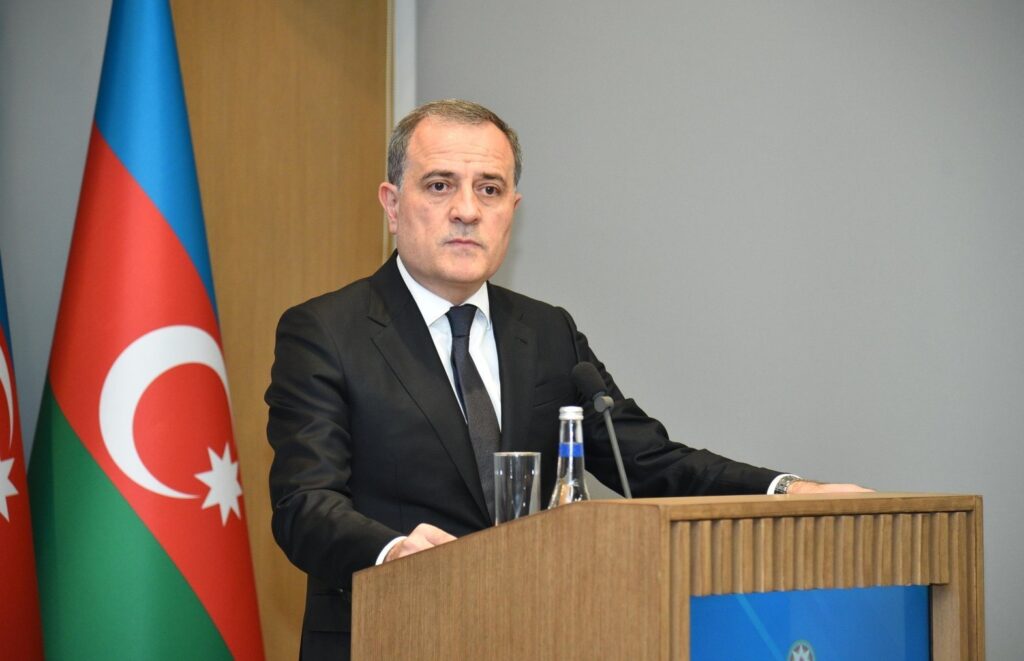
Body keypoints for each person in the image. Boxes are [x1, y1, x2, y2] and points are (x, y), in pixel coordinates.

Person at [265, 99, 869, 660]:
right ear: (393, 204)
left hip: (536, 635)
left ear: (512, 210)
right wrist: (393, 551)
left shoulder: (547, 331)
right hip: (388, 635)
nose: (467, 210)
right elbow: (304, 504)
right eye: (440, 185)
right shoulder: (327, 330)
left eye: (489, 189)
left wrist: (784, 490)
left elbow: (646, 460)